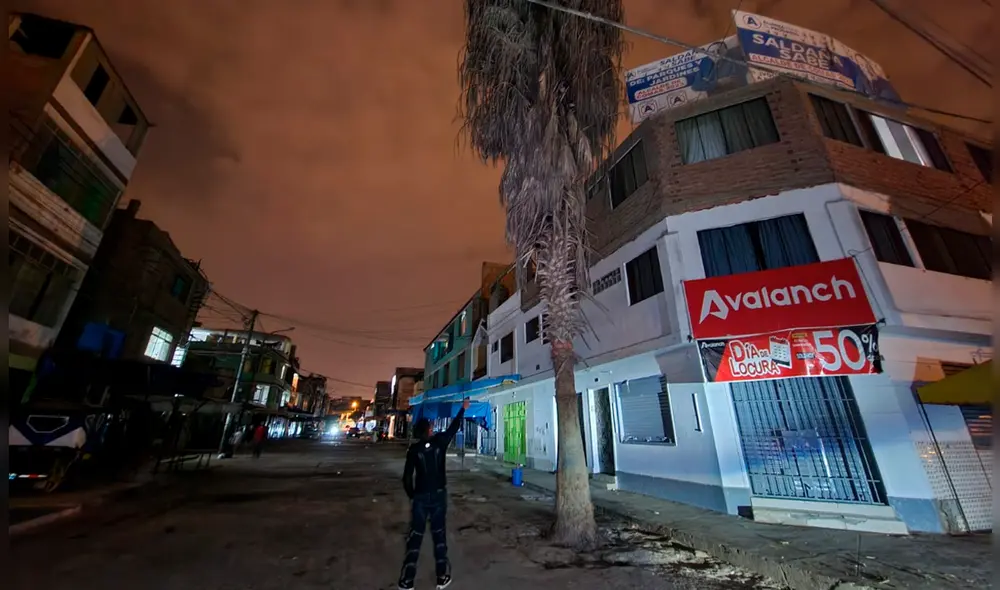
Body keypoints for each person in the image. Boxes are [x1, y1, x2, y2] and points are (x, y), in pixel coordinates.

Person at [397, 397, 470, 590]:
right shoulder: (439, 443)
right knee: (439, 535)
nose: (432, 427)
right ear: (428, 431)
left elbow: (406, 478)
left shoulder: (414, 450)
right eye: (430, 426)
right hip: (438, 496)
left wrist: (413, 496)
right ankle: (441, 577)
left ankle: (407, 580)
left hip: (421, 497)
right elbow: (453, 428)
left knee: (415, 536)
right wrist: (463, 409)